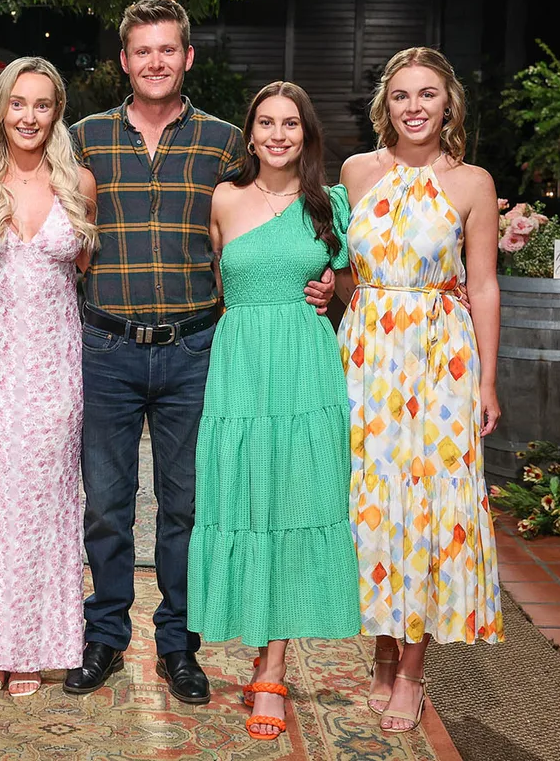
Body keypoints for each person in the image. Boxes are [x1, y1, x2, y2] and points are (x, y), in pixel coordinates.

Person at [57, 0, 336, 703]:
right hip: (107, 343)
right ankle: (106, 637)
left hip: (193, 350)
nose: (155, 62)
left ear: (187, 57)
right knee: (107, 506)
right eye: (141, 51)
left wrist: (324, 277)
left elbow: (276, 214)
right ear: (124, 60)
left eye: (167, 50)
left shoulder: (220, 142)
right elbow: (35, 202)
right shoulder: (85, 138)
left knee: (187, 507)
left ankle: (180, 645)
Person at [187, 82, 360, 740]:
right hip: (239, 364)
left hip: (304, 364)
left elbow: (350, 286)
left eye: (291, 124)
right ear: (250, 133)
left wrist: (329, 288)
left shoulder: (328, 205)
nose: (279, 135)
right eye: (267, 123)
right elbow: (212, 280)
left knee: (294, 501)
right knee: (242, 500)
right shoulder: (224, 199)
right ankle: (247, 633)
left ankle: (273, 669)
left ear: (306, 135)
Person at [338, 47, 504, 734]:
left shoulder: (471, 183)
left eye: (427, 95)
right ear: (386, 104)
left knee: (432, 508)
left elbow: (486, 282)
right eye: (402, 95)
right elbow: (344, 268)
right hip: (367, 353)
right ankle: (380, 653)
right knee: (374, 505)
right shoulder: (355, 172)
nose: (413, 107)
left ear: (448, 104)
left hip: (441, 361)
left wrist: (489, 380)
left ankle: (411, 669)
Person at [0, 57, 98, 698]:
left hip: (56, 364)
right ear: (0, 108)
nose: (29, 117)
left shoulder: (78, 184)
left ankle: (33, 646)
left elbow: (82, 268)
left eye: (42, 105)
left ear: (56, 112)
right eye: (18, 103)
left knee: (46, 505)